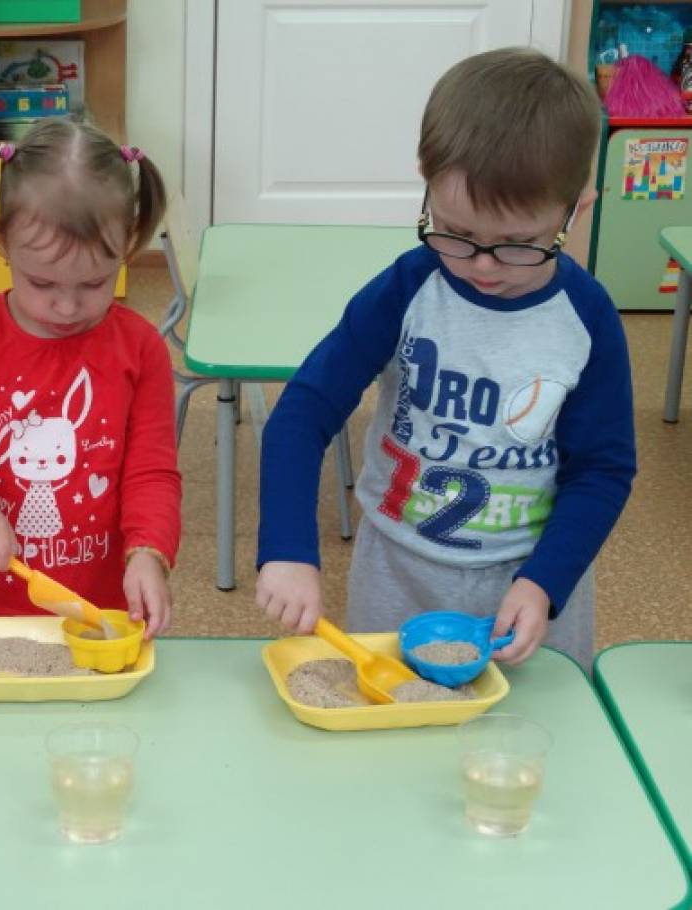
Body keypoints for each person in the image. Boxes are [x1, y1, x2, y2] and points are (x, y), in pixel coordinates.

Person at [256, 48, 636, 672]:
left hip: (527, 584)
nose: (482, 264)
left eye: (518, 245)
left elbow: (603, 470)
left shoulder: (587, 319)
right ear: (426, 182)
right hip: (398, 572)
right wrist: (288, 549)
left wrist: (545, 582)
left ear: (576, 210)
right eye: (455, 231)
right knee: (396, 729)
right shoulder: (409, 290)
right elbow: (304, 413)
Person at [0, 118, 180, 637]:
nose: (66, 307)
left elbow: (151, 472)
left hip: (97, 615)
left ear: (128, 245)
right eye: (41, 282)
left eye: (94, 282)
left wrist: (149, 552)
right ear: (2, 242)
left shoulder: (141, 348)